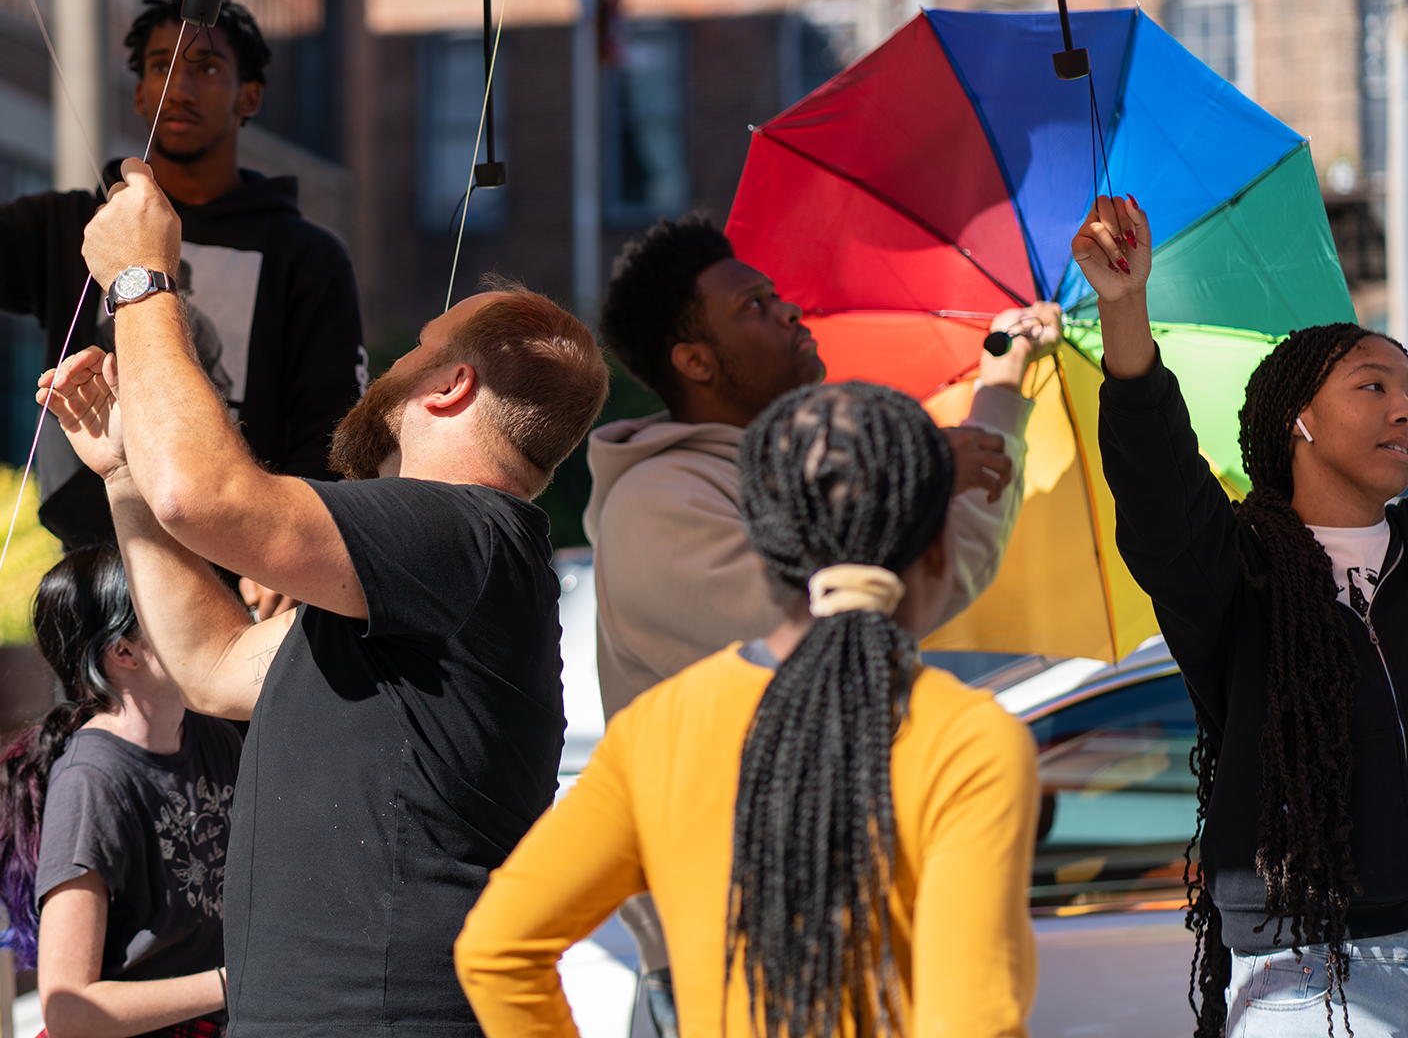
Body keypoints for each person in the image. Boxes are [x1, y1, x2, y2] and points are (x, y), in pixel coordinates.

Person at [37, 156, 610, 1038]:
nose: (389, 364)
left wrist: (142, 280)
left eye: (416, 349)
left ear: (451, 386)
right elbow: (213, 665)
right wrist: (122, 477)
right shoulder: (444, 570)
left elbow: (206, 496)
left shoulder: (463, 532)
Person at [456, 381, 1040, 1037]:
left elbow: (497, 951)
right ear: (938, 548)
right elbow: (973, 1021)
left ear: (765, 549)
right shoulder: (969, 740)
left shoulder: (662, 727)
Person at [585, 214, 1058, 1017]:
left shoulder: (794, 482)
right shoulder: (656, 503)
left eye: (775, 296)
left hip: (838, 937)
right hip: (726, 964)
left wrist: (1000, 392)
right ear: (694, 361)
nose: (787, 312)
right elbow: (809, 632)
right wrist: (910, 477)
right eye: (752, 307)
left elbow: (941, 576)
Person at [0, 0, 366, 559]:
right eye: (161, 66)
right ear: (138, 93)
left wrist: (293, 549)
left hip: (245, 564)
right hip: (93, 561)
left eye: (208, 68)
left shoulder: (306, 255)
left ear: (250, 96)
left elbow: (332, 428)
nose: (179, 88)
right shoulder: (75, 223)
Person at [1080, 195, 1408, 1034]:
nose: (1403, 407)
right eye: (1373, 386)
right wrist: (1126, 311)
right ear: (1298, 420)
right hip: (1317, 976)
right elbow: (1158, 485)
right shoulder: (1236, 570)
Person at [0, 545, 242, 1038]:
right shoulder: (90, 781)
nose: (199, 614)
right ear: (123, 652)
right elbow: (70, 1013)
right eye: (174, 603)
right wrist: (236, 983)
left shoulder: (217, 737)